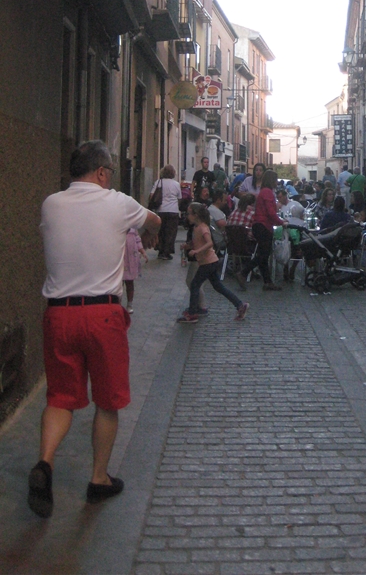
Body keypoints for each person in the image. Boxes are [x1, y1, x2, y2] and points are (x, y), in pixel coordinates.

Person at [28, 140, 161, 518]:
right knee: (107, 400)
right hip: (102, 315)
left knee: (59, 398)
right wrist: (148, 233)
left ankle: (45, 463)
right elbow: (154, 221)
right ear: (102, 173)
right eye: (110, 173)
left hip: (59, 315)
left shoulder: (51, 204)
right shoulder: (118, 203)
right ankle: (98, 479)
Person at [178, 204, 249, 323]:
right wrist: (188, 246)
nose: (187, 216)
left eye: (189, 214)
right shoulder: (197, 227)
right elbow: (198, 242)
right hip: (210, 262)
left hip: (208, 262)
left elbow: (209, 243)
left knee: (195, 284)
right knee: (218, 286)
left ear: (196, 215)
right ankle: (240, 305)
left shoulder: (203, 228)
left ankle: (192, 313)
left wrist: (196, 251)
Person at [240, 169, 287, 290]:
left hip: (259, 224)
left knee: (263, 255)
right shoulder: (268, 192)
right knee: (263, 255)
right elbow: (270, 212)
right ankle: (244, 272)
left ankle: (267, 281)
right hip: (263, 225)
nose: (277, 182)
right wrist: (281, 222)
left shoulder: (264, 192)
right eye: (275, 180)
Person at [150, 164, 182, 259]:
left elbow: (152, 195)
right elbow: (179, 198)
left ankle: (160, 250)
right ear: (173, 173)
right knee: (170, 232)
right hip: (173, 211)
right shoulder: (176, 184)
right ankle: (167, 252)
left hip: (161, 210)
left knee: (161, 231)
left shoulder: (158, 182)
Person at [122, 227, 147, 314]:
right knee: (118, 285)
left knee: (130, 283)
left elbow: (138, 240)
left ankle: (129, 304)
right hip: (120, 260)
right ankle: (117, 304)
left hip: (131, 261)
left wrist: (143, 251)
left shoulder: (133, 228)